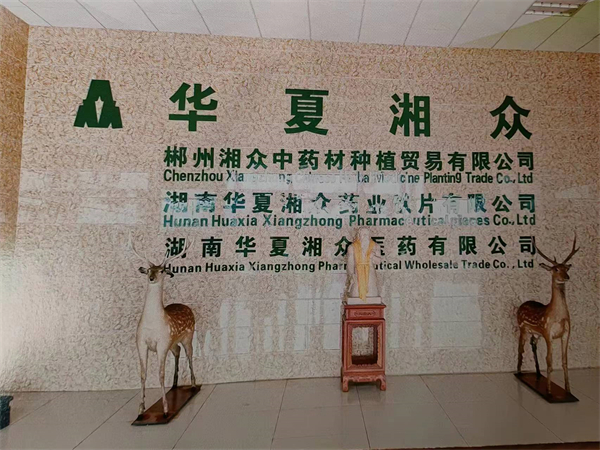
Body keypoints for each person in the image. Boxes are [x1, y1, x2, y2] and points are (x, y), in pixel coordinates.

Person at [346, 227, 382, 303]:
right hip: (357, 273)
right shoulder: (352, 247)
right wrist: (351, 275)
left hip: (370, 273)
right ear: (359, 235)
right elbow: (350, 263)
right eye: (363, 234)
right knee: (355, 294)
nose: (365, 236)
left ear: (369, 236)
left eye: (367, 234)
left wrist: (373, 256)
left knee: (372, 294)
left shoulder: (375, 246)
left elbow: (378, 262)